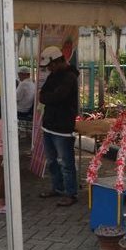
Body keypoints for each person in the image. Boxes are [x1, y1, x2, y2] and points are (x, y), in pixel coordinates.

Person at [37, 46, 80, 207]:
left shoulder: (69, 77)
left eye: (51, 65)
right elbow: (44, 95)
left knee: (66, 163)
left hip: (63, 127)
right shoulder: (53, 75)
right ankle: (58, 187)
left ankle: (71, 193)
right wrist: (48, 97)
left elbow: (57, 96)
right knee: (52, 161)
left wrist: (48, 97)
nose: (49, 69)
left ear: (58, 61)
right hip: (49, 125)